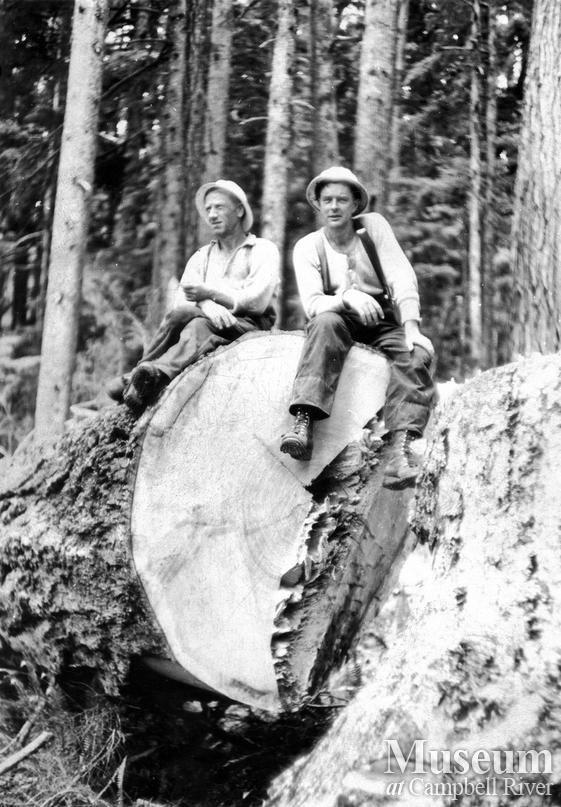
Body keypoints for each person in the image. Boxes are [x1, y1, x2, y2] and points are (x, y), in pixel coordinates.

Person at [280, 166, 436, 489]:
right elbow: (312, 303)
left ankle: (399, 450)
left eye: (341, 200)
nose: (334, 207)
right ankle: (303, 423)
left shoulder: (373, 229)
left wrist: (412, 328)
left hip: (381, 320)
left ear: (355, 205)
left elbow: (401, 274)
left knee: (415, 353)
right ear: (318, 205)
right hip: (336, 317)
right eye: (327, 200)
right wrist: (347, 298)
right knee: (323, 324)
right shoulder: (308, 247)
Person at [110, 180, 280, 412]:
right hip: (209, 322)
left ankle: (155, 375)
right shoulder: (202, 256)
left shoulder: (262, 250)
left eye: (219, 207)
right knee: (183, 316)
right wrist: (207, 304)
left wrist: (210, 293)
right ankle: (141, 373)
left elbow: (257, 302)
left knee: (198, 326)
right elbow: (181, 302)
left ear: (239, 210)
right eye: (208, 209)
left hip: (248, 327)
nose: (212, 214)